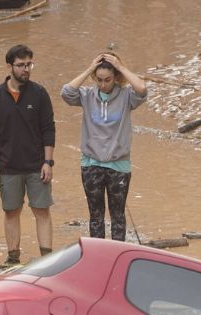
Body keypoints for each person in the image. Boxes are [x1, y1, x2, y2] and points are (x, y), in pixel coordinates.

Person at [61, 52, 148, 241]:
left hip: (118, 166)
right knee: (95, 217)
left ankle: (117, 257)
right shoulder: (86, 96)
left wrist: (121, 66)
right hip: (91, 164)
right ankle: (98, 257)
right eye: (99, 80)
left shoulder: (126, 96)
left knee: (118, 217)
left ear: (115, 77)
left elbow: (142, 89)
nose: (103, 84)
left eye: (107, 80)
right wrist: (89, 68)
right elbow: (66, 92)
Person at [0, 43, 57, 265]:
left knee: (42, 211)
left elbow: (48, 128)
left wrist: (48, 162)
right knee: (11, 212)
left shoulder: (39, 93)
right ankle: (13, 259)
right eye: (21, 65)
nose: (26, 69)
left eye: (29, 64)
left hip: (37, 165)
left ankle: (46, 260)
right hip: (7, 166)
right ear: (10, 67)